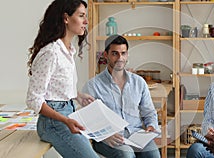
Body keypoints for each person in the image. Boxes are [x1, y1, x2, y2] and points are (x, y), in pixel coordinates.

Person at [26, 0, 99, 157]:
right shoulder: (51, 52)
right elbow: (34, 99)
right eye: (81, 16)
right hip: (52, 122)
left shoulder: (67, 50)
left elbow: (56, 86)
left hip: (68, 113)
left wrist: (78, 96)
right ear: (66, 18)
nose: (86, 21)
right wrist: (65, 121)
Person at [82, 35, 161, 158]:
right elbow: (86, 120)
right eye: (115, 53)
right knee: (127, 155)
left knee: (154, 154)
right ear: (105, 55)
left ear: (127, 54)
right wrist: (105, 136)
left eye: (123, 53)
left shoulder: (139, 82)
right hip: (108, 138)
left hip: (136, 135)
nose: (120, 58)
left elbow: (149, 112)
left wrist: (151, 126)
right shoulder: (93, 86)